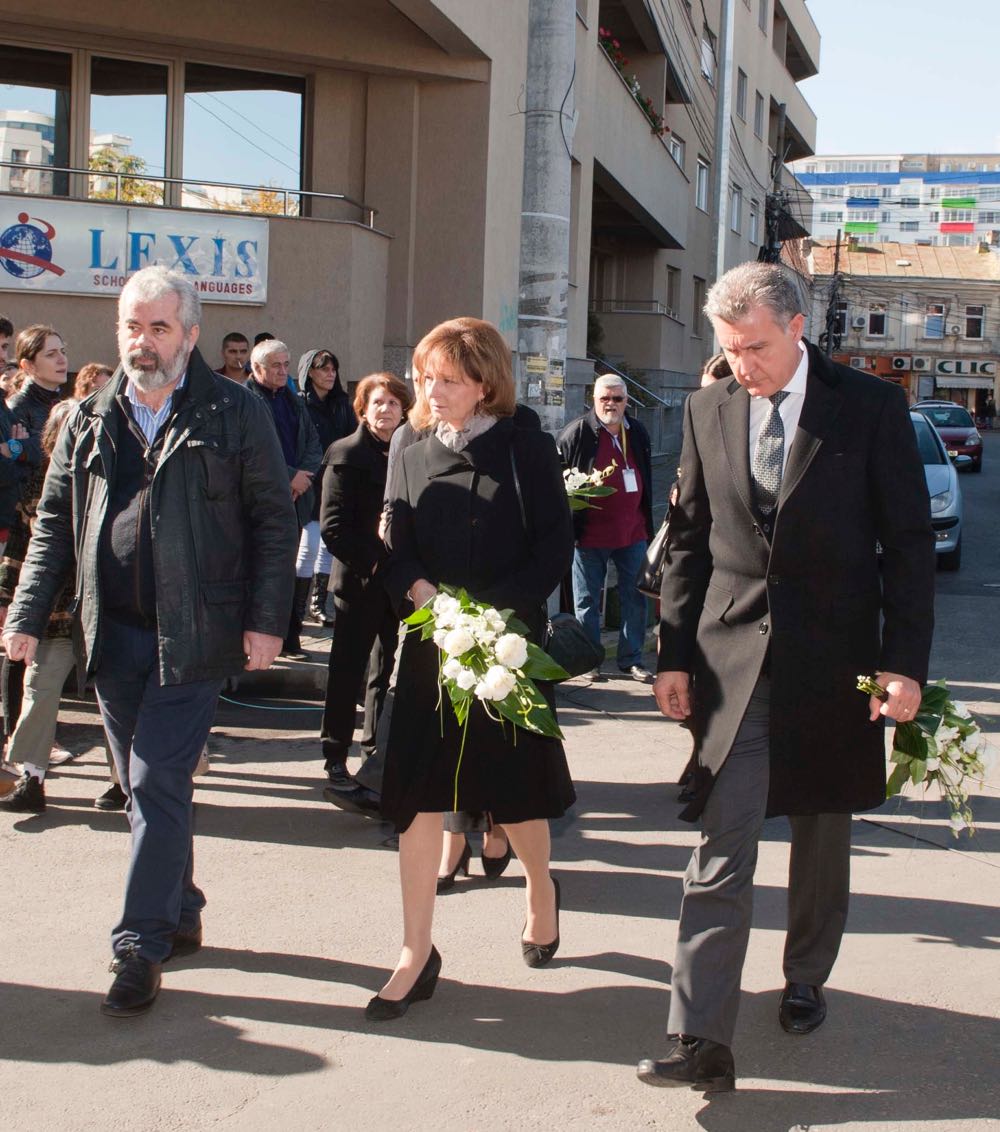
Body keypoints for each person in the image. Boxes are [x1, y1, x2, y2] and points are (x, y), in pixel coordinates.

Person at [636, 262, 935, 1092]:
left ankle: (806, 970)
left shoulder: (870, 408)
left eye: (755, 347)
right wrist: (670, 655)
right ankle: (699, 1036)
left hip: (837, 665)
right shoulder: (706, 409)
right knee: (721, 844)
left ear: (796, 328)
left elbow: (907, 548)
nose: (742, 365)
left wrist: (903, 665)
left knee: (819, 831)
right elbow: (688, 541)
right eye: (729, 350)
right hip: (734, 668)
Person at [1, 265, 298, 1018]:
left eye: (159, 327)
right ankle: (185, 901)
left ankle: (140, 941)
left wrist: (267, 619)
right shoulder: (91, 415)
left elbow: (271, 519)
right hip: (114, 636)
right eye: (132, 327)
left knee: (159, 781)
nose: (143, 341)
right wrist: (26, 614)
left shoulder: (232, 411)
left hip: (195, 637)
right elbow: (54, 525)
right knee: (143, 788)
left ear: (191, 334)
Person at [371, 316, 575, 1021]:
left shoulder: (527, 447)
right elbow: (393, 541)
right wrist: (424, 597)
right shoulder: (409, 445)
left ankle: (541, 890)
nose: (430, 390)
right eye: (425, 376)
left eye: (447, 379)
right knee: (418, 795)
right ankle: (415, 950)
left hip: (506, 645)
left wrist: (492, 618)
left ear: (485, 384)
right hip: (431, 646)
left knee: (515, 788)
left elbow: (553, 547)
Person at [318, 372, 410, 811]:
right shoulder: (346, 454)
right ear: (362, 408)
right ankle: (334, 757)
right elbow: (334, 529)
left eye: (394, 402)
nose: (386, 410)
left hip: (401, 586)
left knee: (386, 671)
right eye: (378, 402)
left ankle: (375, 754)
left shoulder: (411, 452)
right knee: (347, 670)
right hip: (360, 581)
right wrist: (377, 563)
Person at [557, 374, 654, 683]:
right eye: (605, 399)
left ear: (627, 401)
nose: (611, 404)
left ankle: (631, 659)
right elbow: (558, 481)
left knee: (635, 598)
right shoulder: (576, 433)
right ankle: (589, 660)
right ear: (593, 399)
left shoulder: (636, 431)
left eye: (618, 399)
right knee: (586, 601)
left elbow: (646, 476)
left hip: (632, 533)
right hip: (589, 536)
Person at [245, 339, 323, 659]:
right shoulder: (245, 400)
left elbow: (313, 443)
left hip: (294, 496)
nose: (283, 371)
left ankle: (290, 636)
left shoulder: (293, 400)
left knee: (288, 569)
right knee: (258, 570)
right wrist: (288, 475)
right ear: (257, 368)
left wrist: (303, 476)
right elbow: (254, 450)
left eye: (286, 364)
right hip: (260, 500)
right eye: (276, 366)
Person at [298, 349, 355, 627]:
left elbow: (351, 437)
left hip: (334, 478)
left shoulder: (342, 403)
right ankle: (297, 606)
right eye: (324, 369)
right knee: (307, 545)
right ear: (310, 372)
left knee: (326, 544)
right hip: (309, 478)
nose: (330, 374)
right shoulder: (300, 404)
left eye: (333, 369)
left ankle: (318, 603)